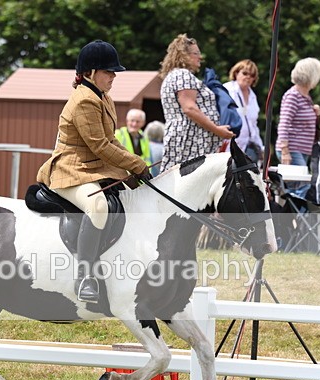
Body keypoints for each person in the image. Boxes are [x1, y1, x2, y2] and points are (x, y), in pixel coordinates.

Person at [36, 40, 151, 303]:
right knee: (98, 205)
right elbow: (99, 146)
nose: (113, 77)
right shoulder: (84, 101)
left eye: (114, 72)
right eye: (108, 72)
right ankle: (85, 276)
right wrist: (134, 165)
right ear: (90, 72)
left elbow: (111, 140)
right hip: (72, 168)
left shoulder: (103, 97)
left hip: (94, 167)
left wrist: (134, 163)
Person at [158, 34, 235, 172]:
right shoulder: (183, 75)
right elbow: (190, 108)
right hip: (190, 142)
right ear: (183, 55)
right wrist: (217, 130)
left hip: (185, 141)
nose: (200, 57)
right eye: (196, 53)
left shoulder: (175, 75)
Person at [276, 58, 320, 169]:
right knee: (300, 185)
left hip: (302, 149)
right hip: (292, 149)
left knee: (297, 184)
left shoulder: (305, 96)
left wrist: (315, 113)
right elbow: (284, 123)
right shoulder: (293, 96)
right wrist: (285, 151)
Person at [223, 59, 264, 164]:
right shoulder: (227, 90)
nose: (248, 77)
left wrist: (260, 146)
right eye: (245, 73)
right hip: (229, 144)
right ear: (236, 73)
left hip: (248, 146)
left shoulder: (253, 96)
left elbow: (253, 124)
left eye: (252, 75)